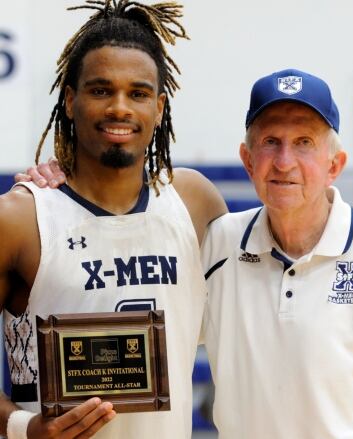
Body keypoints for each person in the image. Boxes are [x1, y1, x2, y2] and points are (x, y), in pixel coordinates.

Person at [0, 2, 226, 438]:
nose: (119, 108)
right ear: (70, 100)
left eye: (138, 93)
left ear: (159, 107)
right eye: (101, 90)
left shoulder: (195, 202)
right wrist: (22, 426)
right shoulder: (21, 218)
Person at [200, 69, 353, 438]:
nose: (283, 161)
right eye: (271, 141)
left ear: (334, 165)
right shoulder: (217, 243)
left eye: (304, 142)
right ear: (248, 160)